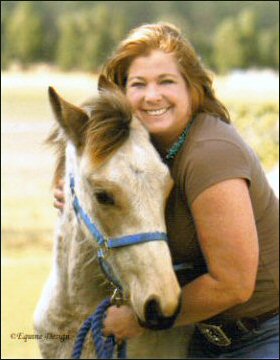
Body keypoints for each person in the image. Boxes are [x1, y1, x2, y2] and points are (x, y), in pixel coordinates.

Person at [53, 23, 279, 358]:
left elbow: (233, 283)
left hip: (262, 336)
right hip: (201, 338)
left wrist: (140, 321)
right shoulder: (146, 150)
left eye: (166, 82)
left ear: (192, 88)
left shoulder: (210, 153)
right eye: (138, 84)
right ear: (122, 94)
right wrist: (73, 194)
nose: (151, 96)